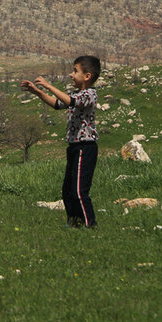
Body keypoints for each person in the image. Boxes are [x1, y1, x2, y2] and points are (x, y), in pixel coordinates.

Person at [21, 55, 101, 228]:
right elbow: (58, 104)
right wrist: (38, 92)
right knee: (68, 190)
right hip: (73, 147)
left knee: (80, 192)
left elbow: (71, 102)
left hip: (85, 147)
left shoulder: (90, 94)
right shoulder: (76, 93)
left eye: (75, 71)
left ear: (87, 76)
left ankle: (90, 224)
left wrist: (49, 85)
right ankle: (74, 222)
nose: (71, 75)